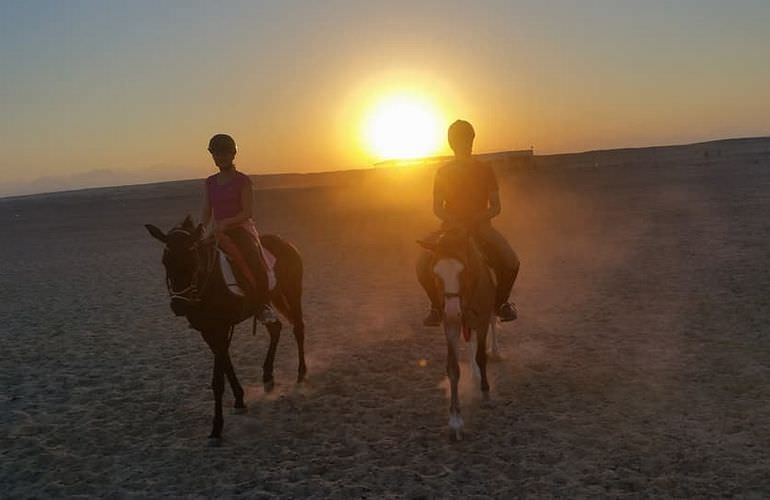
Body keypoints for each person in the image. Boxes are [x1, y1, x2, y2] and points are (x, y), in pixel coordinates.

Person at [417, 120, 520, 326]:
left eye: (467, 139)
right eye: (460, 140)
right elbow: (437, 207)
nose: (465, 144)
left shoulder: (485, 169)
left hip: (481, 226)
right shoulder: (443, 172)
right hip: (451, 227)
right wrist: (453, 220)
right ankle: (436, 307)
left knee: (511, 262)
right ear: (452, 143)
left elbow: (495, 206)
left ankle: (501, 304)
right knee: (421, 264)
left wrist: (477, 218)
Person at [201, 133, 277, 324]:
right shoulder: (209, 182)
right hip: (217, 230)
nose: (220, 157)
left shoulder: (242, 181)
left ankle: (263, 305)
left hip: (240, 229)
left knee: (252, 257)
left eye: (224, 153)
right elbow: (206, 209)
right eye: (216, 153)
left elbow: (247, 212)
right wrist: (203, 229)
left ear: (233, 154)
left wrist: (227, 223)